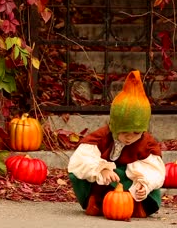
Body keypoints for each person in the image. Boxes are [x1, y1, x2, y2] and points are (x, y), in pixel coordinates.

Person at [67, 70, 165, 218]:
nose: (130, 138)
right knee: (79, 174)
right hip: (103, 185)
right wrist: (102, 170)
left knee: (131, 176)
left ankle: (137, 205)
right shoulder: (101, 137)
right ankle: (96, 201)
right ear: (115, 126)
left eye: (136, 133)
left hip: (129, 184)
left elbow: (154, 171)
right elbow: (81, 160)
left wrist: (144, 185)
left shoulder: (147, 144)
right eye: (125, 132)